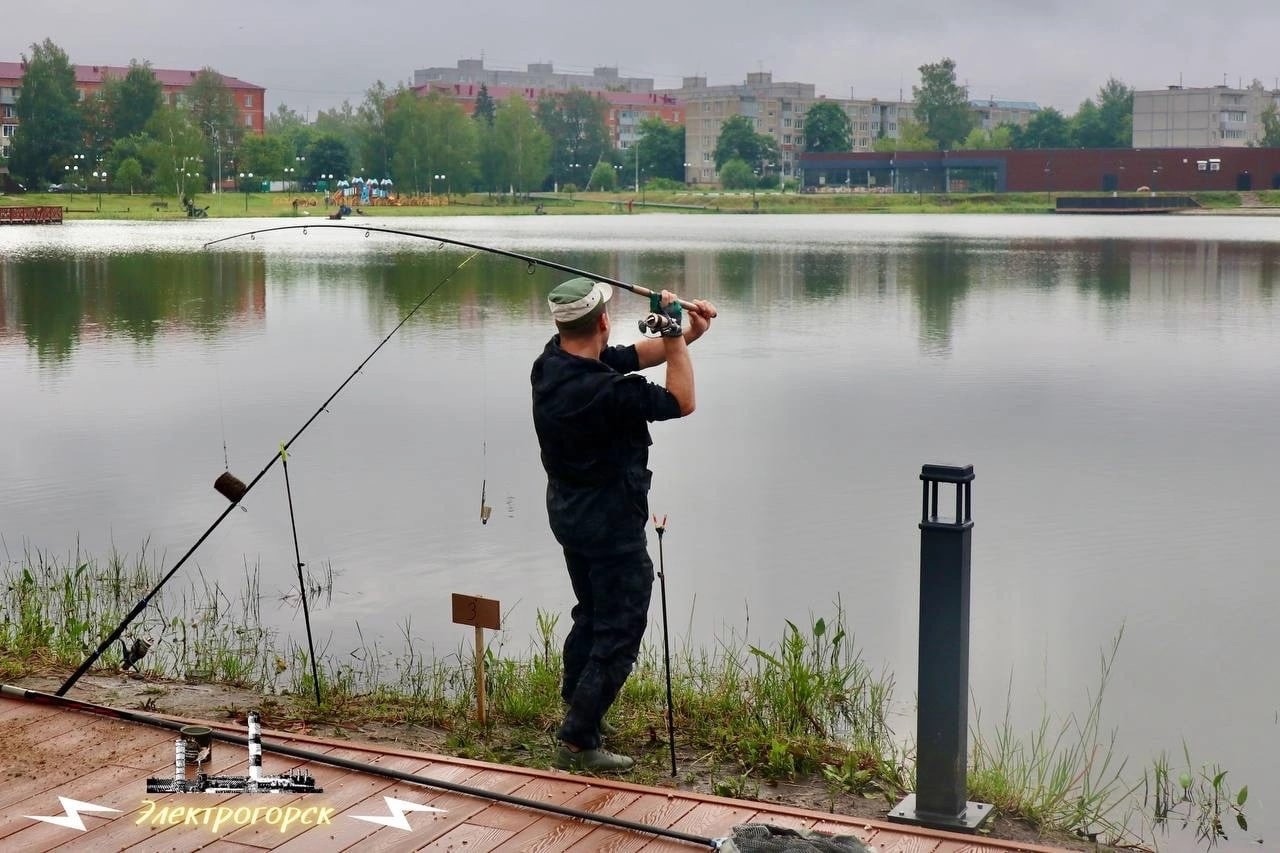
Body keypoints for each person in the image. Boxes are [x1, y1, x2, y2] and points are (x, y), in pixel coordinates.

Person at [531, 276, 715, 773]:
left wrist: (687, 333)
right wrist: (675, 338)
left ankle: (578, 704)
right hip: (611, 526)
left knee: (591, 613)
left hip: (570, 518)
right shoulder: (608, 393)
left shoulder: (552, 365)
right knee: (621, 627)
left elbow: (636, 355)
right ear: (604, 321)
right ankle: (577, 741)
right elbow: (681, 400)